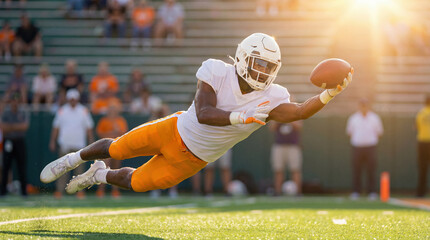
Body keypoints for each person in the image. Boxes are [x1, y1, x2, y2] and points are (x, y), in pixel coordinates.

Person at [40, 33, 353, 197]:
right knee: (119, 148)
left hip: (194, 159)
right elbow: (203, 113)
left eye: (269, 68)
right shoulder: (216, 70)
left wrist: (329, 94)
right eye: (259, 64)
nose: (263, 72)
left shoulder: (272, 96)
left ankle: (99, 175)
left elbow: (299, 111)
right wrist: (238, 119)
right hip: (175, 130)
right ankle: (73, 159)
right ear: (244, 57)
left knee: (137, 183)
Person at [49, 89, 94, 199]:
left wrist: (91, 142)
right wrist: (52, 141)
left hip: (79, 145)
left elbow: (89, 128)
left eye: (74, 99)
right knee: (62, 170)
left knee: (80, 171)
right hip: (65, 144)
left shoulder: (83, 111)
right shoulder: (62, 110)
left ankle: (79, 191)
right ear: (68, 99)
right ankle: (59, 191)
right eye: (71, 99)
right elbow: (56, 127)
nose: (73, 101)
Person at [346, 99, 383, 200]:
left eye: (365, 106)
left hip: (370, 147)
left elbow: (379, 132)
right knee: (357, 170)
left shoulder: (375, 118)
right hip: (357, 146)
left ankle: (371, 192)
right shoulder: (353, 118)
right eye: (362, 106)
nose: (363, 108)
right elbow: (349, 132)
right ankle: (356, 191)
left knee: (371, 170)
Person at [95, 102, 128, 198]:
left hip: (118, 147)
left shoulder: (121, 120)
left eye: (114, 109)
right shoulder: (104, 121)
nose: (113, 111)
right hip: (106, 148)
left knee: (116, 169)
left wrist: (112, 133)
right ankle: (101, 190)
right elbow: (100, 134)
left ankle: (115, 190)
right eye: (111, 109)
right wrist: (113, 132)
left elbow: (124, 133)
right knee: (104, 167)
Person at [0, 93, 29, 197]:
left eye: (17, 100)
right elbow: (3, 127)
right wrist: (16, 127)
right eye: (13, 100)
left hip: (19, 141)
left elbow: (24, 126)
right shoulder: (6, 113)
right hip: (8, 140)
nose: (15, 102)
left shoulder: (23, 112)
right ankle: (3, 191)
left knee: (22, 166)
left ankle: (24, 191)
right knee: (6, 166)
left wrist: (11, 127)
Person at [269, 119, 303, 196]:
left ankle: (298, 193)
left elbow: (299, 126)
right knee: (278, 169)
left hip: (293, 146)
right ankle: (277, 192)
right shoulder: (278, 114)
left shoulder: (295, 111)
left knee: (295, 169)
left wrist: (288, 119)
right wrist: (279, 119)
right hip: (279, 145)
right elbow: (271, 127)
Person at [415, 95, 430, 197]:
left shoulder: (420, 113)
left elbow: (416, 127)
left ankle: (421, 192)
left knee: (422, 168)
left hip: (422, 143)